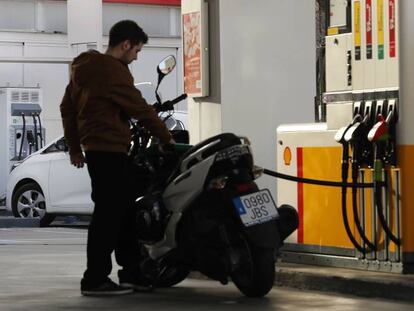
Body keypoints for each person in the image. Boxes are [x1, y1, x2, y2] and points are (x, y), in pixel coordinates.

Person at [60, 20, 174, 296]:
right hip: (110, 150)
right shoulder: (113, 71)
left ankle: (131, 273)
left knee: (123, 212)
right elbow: (139, 107)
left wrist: (76, 148)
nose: (136, 57)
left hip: (97, 151)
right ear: (126, 45)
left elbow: (67, 108)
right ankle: (95, 279)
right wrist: (166, 137)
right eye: (136, 51)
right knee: (109, 216)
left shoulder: (83, 70)